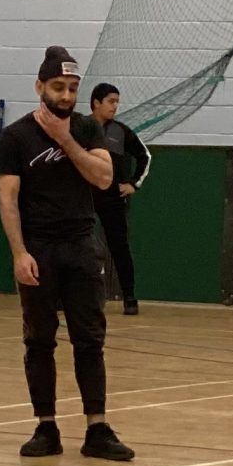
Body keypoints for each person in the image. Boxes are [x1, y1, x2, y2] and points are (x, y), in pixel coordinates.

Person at [0, 46, 133, 461]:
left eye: (73, 88)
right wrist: (19, 253)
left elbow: (104, 177)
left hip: (81, 247)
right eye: (58, 87)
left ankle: (97, 428)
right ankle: (46, 427)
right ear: (39, 87)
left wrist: (65, 139)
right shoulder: (16, 136)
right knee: (39, 340)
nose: (66, 95)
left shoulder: (87, 129)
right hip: (38, 249)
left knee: (89, 339)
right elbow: (8, 200)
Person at [88, 82, 152, 315]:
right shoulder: (79, 127)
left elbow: (145, 156)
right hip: (85, 198)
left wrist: (134, 183)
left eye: (117, 102)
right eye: (111, 101)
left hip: (113, 200)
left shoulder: (122, 131)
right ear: (96, 103)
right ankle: (71, 297)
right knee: (77, 246)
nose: (115, 106)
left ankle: (129, 297)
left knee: (119, 247)